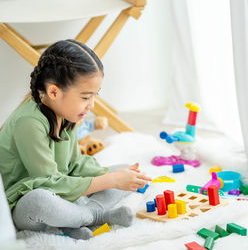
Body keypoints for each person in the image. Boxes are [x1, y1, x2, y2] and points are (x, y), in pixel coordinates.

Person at [0, 39, 152, 240]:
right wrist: (110, 180)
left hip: (62, 191)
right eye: (85, 97)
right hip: (24, 202)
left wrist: (114, 175)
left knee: (124, 168)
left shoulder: (65, 113)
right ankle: (96, 215)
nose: (91, 105)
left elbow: (75, 164)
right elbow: (48, 184)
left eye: (94, 96)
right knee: (39, 201)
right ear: (54, 92)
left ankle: (72, 223)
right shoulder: (29, 122)